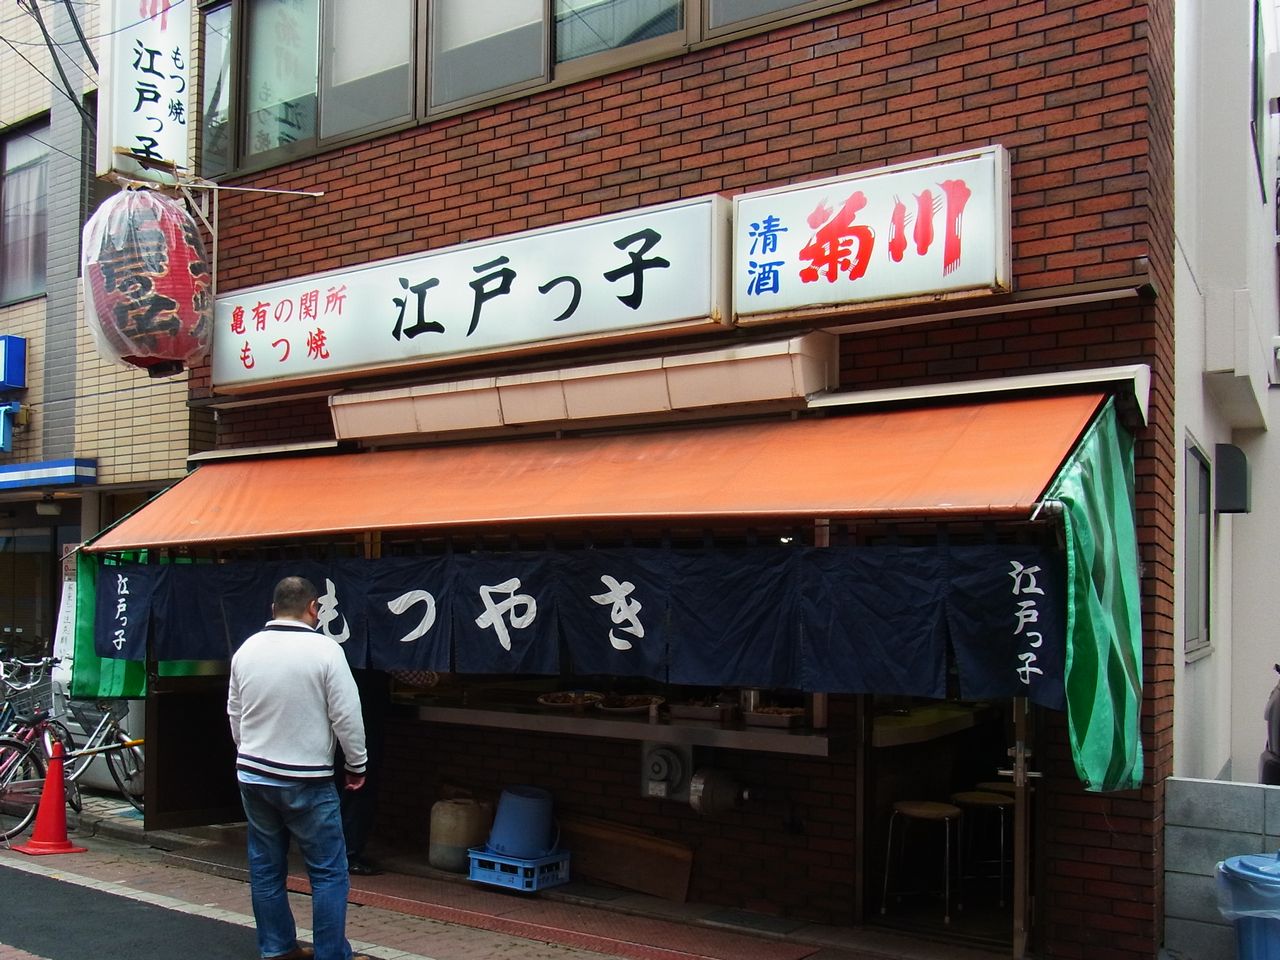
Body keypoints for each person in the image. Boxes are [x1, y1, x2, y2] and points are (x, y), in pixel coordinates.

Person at [227, 576, 370, 960]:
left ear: (272, 609)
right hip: (307, 779)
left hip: (254, 774)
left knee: (266, 866)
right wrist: (357, 764)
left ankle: (276, 949)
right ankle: (330, 953)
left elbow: (235, 712)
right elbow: (347, 717)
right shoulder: (325, 651)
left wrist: (250, 751)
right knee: (327, 872)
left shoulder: (247, 649)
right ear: (314, 609)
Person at [341, 668, 390, 876]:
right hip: (362, 733)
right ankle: (349, 855)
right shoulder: (378, 653)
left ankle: (341, 853)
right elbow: (414, 674)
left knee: (343, 795)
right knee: (358, 797)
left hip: (337, 737)